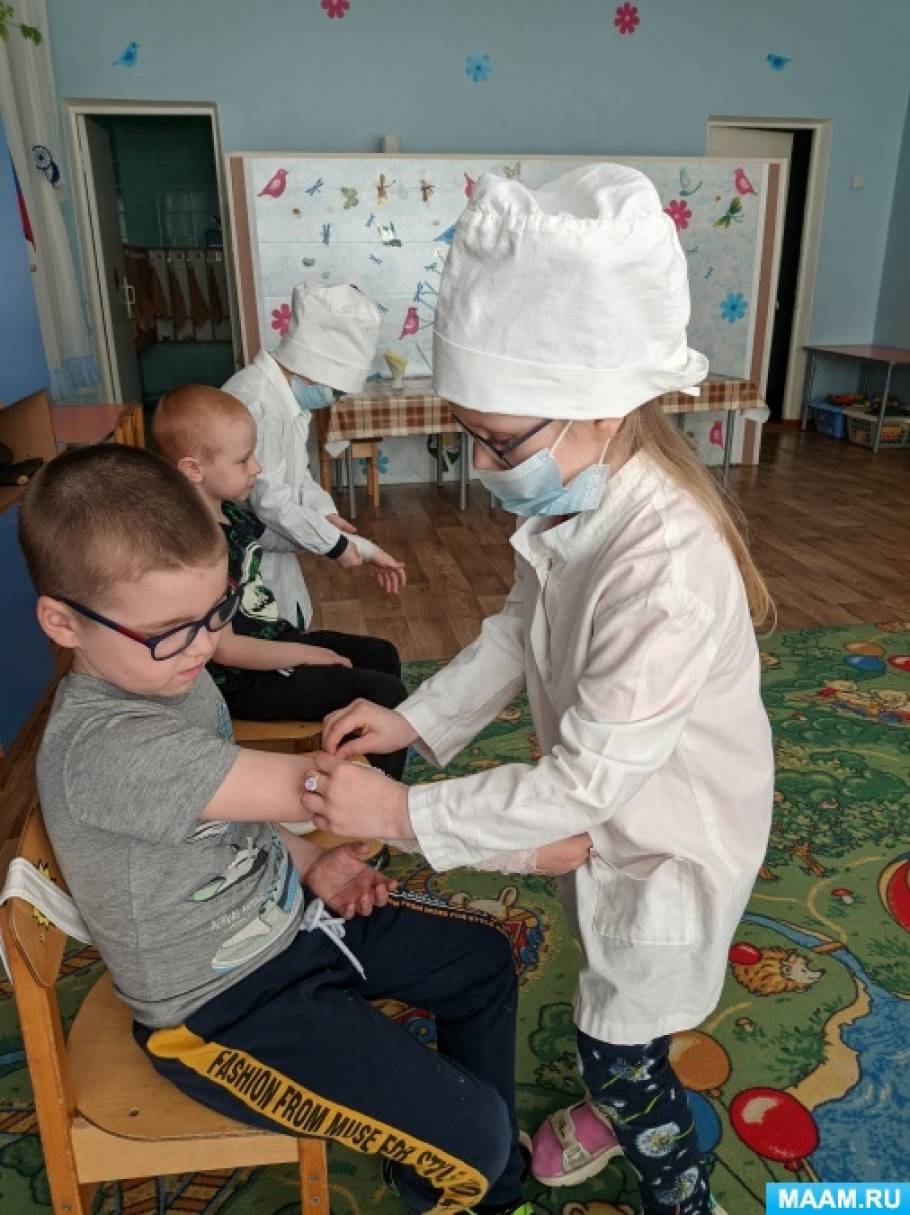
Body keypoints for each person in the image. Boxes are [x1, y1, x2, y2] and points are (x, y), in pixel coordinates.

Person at [294, 164, 775, 1215]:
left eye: (498, 439)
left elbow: (585, 784)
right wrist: (414, 718)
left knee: (621, 1033)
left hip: (670, 836)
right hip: (611, 813)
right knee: (615, 979)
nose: (480, 463)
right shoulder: (574, 502)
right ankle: (619, 1096)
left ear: (600, 410)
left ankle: (678, 1184)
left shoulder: (664, 569)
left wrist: (401, 813)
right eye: (469, 431)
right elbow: (519, 629)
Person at [19, 443, 591, 1215]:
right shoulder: (107, 747)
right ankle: (479, 1177)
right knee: (482, 1137)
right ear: (62, 621)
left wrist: (305, 861)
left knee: (482, 960)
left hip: (286, 921)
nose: (202, 646)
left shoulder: (166, 674)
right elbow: (313, 790)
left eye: (214, 612)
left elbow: (218, 815)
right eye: (169, 631)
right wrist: (517, 846)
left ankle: (449, 1165)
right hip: (223, 1009)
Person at [153, 383, 408, 779]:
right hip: (243, 680)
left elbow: (285, 538)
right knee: (384, 694)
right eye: (243, 460)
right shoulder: (194, 547)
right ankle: (366, 793)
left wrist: (360, 548)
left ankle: (361, 767)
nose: (256, 467)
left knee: (382, 655)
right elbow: (226, 650)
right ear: (193, 470)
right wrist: (305, 655)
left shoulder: (232, 515)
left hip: (273, 642)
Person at [223, 281, 405, 628]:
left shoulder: (287, 398)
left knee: (293, 622)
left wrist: (325, 513)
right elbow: (271, 502)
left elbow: (298, 474)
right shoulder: (258, 403)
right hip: (253, 544)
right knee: (273, 634)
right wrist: (338, 545)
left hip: (275, 541)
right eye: (335, 391)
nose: (333, 400)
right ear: (311, 368)